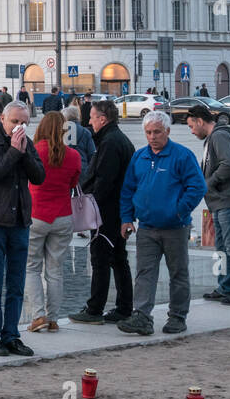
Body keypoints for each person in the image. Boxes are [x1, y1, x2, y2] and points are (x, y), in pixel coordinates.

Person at [117, 111, 206, 335]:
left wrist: (179, 210)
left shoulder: (182, 156)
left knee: (178, 272)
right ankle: (142, 317)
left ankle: (177, 316)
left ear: (167, 131)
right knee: (145, 273)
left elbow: (197, 187)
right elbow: (128, 190)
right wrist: (127, 218)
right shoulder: (139, 157)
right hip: (147, 227)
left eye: (157, 131)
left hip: (175, 227)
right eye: (148, 132)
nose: (152, 136)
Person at [0, 101, 45, 357]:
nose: (19, 126)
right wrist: (15, 151)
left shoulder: (27, 142)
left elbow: (39, 176)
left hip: (19, 222)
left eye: (24, 122)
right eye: (15, 121)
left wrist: (24, 152)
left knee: (16, 283)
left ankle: (12, 335)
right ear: (3, 119)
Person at [70, 100, 135, 324]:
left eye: (92, 117)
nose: (89, 121)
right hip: (117, 209)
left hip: (106, 211)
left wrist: (89, 203)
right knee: (118, 258)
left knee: (101, 259)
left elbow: (104, 180)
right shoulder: (117, 139)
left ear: (102, 119)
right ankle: (124, 307)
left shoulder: (109, 142)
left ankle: (95, 308)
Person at [187, 105, 230, 306]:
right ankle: (226, 287)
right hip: (219, 202)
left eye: (192, 126)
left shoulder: (219, 137)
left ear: (200, 121)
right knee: (222, 249)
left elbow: (228, 164)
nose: (191, 131)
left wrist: (206, 184)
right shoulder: (212, 139)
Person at [23, 110, 81, 333]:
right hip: (63, 216)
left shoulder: (35, 151)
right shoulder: (73, 156)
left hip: (36, 215)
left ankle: (39, 316)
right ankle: (54, 318)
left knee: (32, 268)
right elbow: (74, 183)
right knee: (56, 270)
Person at [61, 105, 96, 184]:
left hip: (63, 168)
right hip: (81, 169)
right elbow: (92, 154)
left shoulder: (60, 131)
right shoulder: (85, 132)